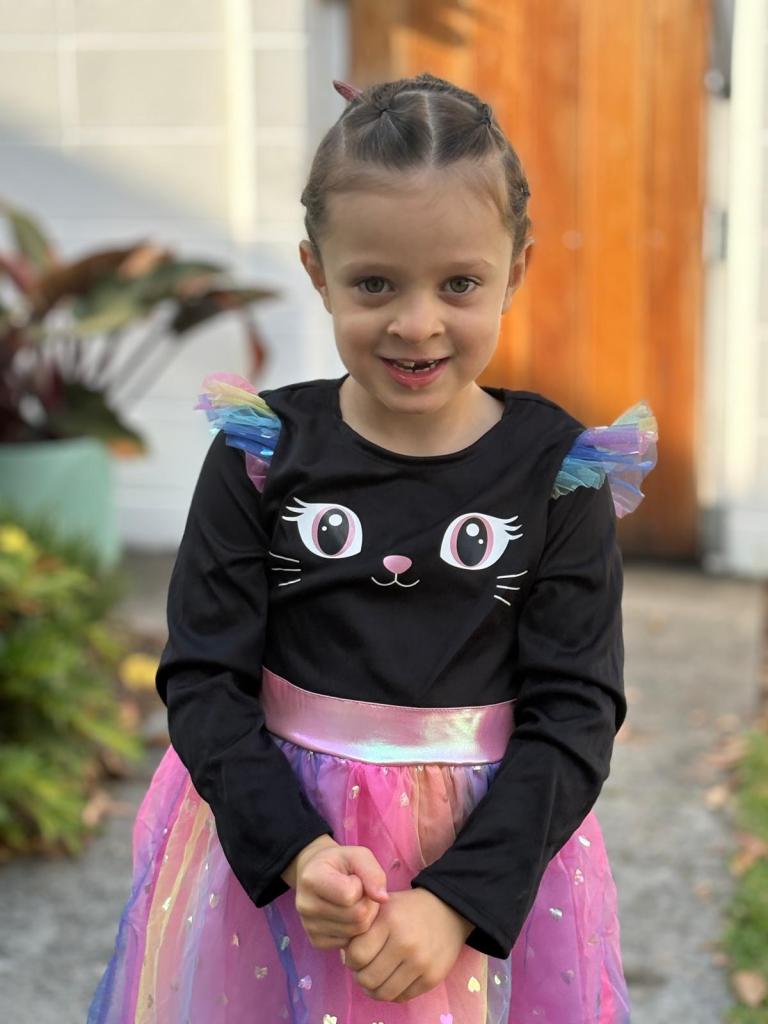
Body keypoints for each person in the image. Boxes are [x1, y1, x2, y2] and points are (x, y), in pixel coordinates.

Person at [88, 72, 658, 1023]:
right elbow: (203, 678)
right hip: (288, 862)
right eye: (374, 283)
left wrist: (457, 902)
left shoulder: (557, 474)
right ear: (317, 271)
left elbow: (576, 711)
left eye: (460, 283)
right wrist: (298, 853)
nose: (416, 322)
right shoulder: (263, 453)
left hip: (476, 861)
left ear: (516, 268)